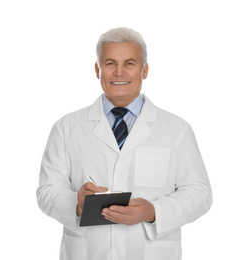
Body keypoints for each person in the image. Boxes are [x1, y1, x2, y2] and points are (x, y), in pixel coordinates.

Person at [37, 27, 212, 260]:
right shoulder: (66, 127)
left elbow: (200, 193)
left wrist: (152, 211)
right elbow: (47, 192)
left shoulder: (176, 129)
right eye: (110, 63)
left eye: (129, 63)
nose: (119, 72)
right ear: (97, 70)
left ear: (145, 70)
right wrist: (77, 204)